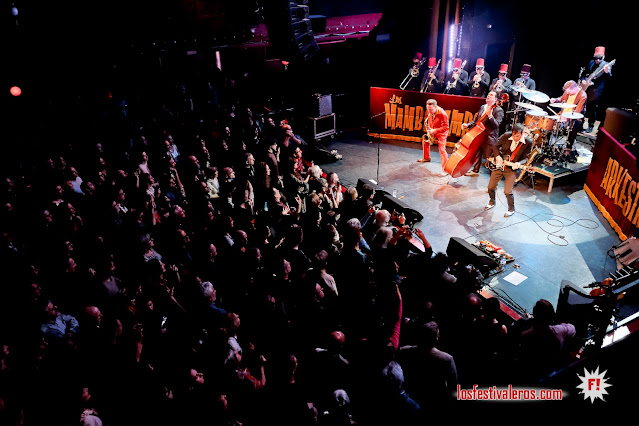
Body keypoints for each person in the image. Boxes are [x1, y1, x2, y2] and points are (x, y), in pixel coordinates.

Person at [484, 123, 533, 217]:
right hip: (500, 165)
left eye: (517, 136)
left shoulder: (528, 142)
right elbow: (495, 146)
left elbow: (526, 158)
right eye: (513, 135)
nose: (515, 138)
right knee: (490, 187)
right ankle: (492, 201)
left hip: (512, 169)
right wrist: (497, 156)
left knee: (507, 191)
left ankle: (511, 208)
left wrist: (519, 163)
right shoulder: (507, 135)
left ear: (522, 133)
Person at [462, 91, 505, 176]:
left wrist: (490, 116)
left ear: (496, 99)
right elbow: (476, 120)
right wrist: (467, 125)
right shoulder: (483, 107)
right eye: (488, 94)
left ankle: (493, 177)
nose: (488, 95)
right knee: (477, 153)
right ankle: (475, 171)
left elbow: (496, 125)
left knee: (490, 159)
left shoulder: (498, 110)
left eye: (491, 95)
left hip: (489, 137)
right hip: (478, 134)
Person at [580, 46, 613, 133]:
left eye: (599, 58)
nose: (597, 60)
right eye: (596, 58)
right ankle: (582, 122)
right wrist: (583, 80)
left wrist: (607, 72)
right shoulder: (591, 63)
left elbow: (609, 77)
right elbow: (583, 73)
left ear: (603, 57)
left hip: (597, 89)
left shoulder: (606, 65)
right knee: (584, 104)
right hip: (588, 87)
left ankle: (591, 125)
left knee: (593, 107)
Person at [550, 80, 587, 153]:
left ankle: (568, 148)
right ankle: (547, 144)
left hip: (574, 118)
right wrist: (555, 100)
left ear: (573, 89)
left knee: (573, 127)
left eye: (568, 91)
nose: (567, 93)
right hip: (563, 114)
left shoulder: (583, 96)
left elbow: (578, 112)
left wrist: (566, 118)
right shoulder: (567, 92)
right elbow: (561, 98)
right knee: (549, 122)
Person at [417, 99, 450, 176]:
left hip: (441, 132)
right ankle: (426, 158)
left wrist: (434, 130)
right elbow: (430, 120)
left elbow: (446, 127)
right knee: (425, 141)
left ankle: (445, 170)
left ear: (435, 107)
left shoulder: (443, 114)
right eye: (428, 109)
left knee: (442, 150)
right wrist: (430, 131)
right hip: (433, 130)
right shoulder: (429, 111)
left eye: (431, 109)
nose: (429, 111)